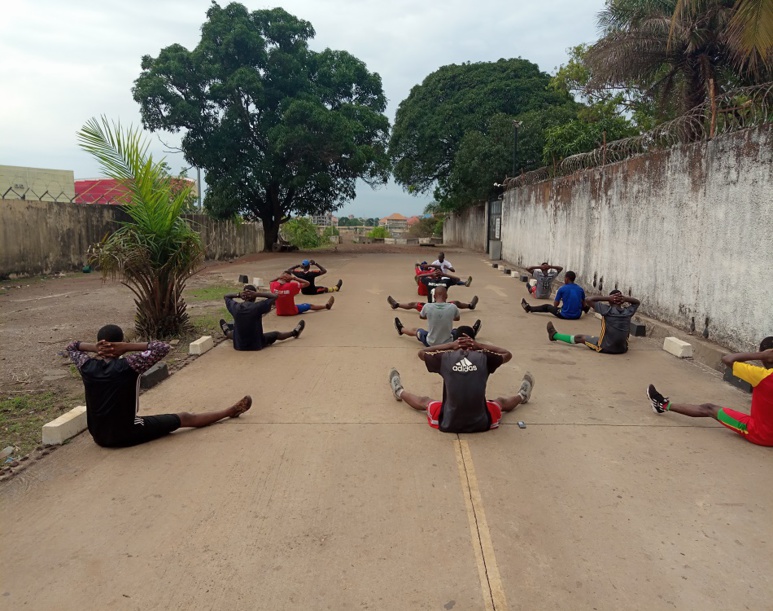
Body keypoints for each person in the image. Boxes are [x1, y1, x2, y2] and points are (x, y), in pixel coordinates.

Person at [64, 325, 252, 448]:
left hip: (98, 435)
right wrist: (127, 346)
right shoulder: (130, 365)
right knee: (184, 417)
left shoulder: (86, 366)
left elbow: (72, 346)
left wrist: (94, 348)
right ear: (120, 342)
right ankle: (229, 411)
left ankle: (229, 411)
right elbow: (161, 347)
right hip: (125, 433)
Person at [388, 335, 534, 433]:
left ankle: (399, 391)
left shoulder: (446, 357)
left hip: (449, 421)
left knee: (425, 401)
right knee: (500, 402)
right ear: (473, 344)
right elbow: (507, 354)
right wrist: (479, 345)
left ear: (456, 345)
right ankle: (522, 395)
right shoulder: (484, 357)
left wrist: (450, 345)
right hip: (482, 422)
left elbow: (422, 352)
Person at [646, 337, 773, 446]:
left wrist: (761, 355)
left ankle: (662, 405)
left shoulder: (761, 375)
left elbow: (728, 359)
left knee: (709, 408)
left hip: (760, 433)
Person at [546, 290, 641, 354]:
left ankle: (554, 335)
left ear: (610, 301)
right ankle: (618, 342)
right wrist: (625, 298)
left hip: (606, 347)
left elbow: (588, 299)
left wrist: (608, 298)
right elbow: (637, 302)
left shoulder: (606, 310)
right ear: (622, 301)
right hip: (623, 349)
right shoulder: (628, 312)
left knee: (580, 337)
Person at [219, 285, 305, 349]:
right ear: (255, 297)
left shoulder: (236, 307)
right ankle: (294, 333)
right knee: (276, 334)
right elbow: (275, 296)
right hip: (257, 344)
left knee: (233, 334)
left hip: (239, 346)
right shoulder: (258, 307)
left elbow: (226, 296)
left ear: (243, 297)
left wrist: (238, 294)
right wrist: (257, 293)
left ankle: (226, 331)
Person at [393, 286, 482, 346]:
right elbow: (457, 318)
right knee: (459, 331)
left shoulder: (427, 306)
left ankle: (401, 329)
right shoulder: (452, 307)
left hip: (431, 342)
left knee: (417, 331)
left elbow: (422, 317)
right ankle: (473, 331)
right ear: (446, 296)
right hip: (449, 342)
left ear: (434, 296)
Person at [521, 270, 588, 319]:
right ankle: (585, 310)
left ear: (567, 279)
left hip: (565, 315)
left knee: (547, 307)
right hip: (577, 315)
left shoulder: (562, 288)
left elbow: (555, 305)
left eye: (564, 278)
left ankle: (529, 308)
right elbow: (584, 303)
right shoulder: (580, 289)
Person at [269, 272, 334, 316]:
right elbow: (307, 283)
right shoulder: (291, 285)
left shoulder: (274, 285)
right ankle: (326, 306)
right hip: (292, 311)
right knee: (309, 306)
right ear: (290, 279)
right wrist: (294, 278)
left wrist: (278, 277)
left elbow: (270, 282)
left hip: (279, 312)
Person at [387, 293, 479, 312]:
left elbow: (421, 316)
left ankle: (470, 306)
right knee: (412, 304)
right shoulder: (449, 306)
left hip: (432, 307)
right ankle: (396, 305)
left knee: (456, 302)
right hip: (434, 305)